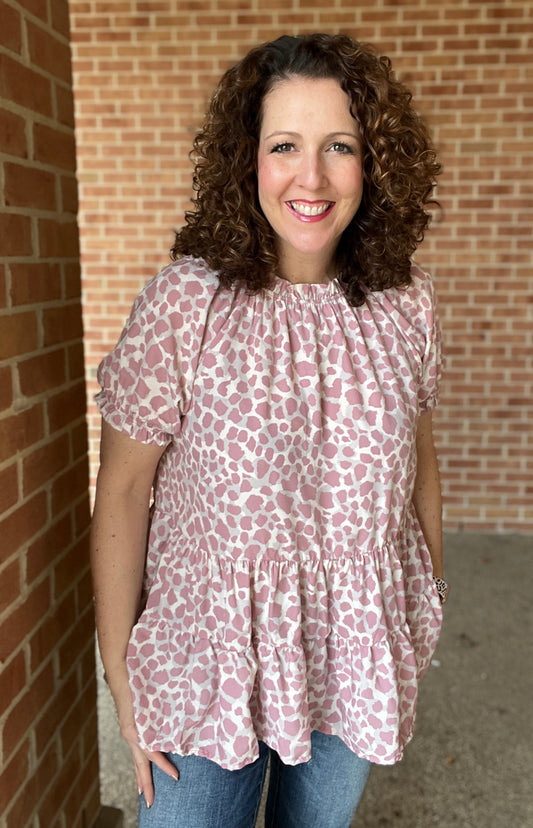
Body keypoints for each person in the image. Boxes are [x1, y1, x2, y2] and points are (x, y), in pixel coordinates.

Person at [91, 32, 448, 828]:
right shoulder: (187, 306)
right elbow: (122, 489)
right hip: (208, 661)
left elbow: (418, 455)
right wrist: (123, 681)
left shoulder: (404, 304)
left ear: (374, 163)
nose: (310, 178)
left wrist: (423, 595)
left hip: (351, 655)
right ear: (245, 160)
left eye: (340, 147)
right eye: (283, 144)